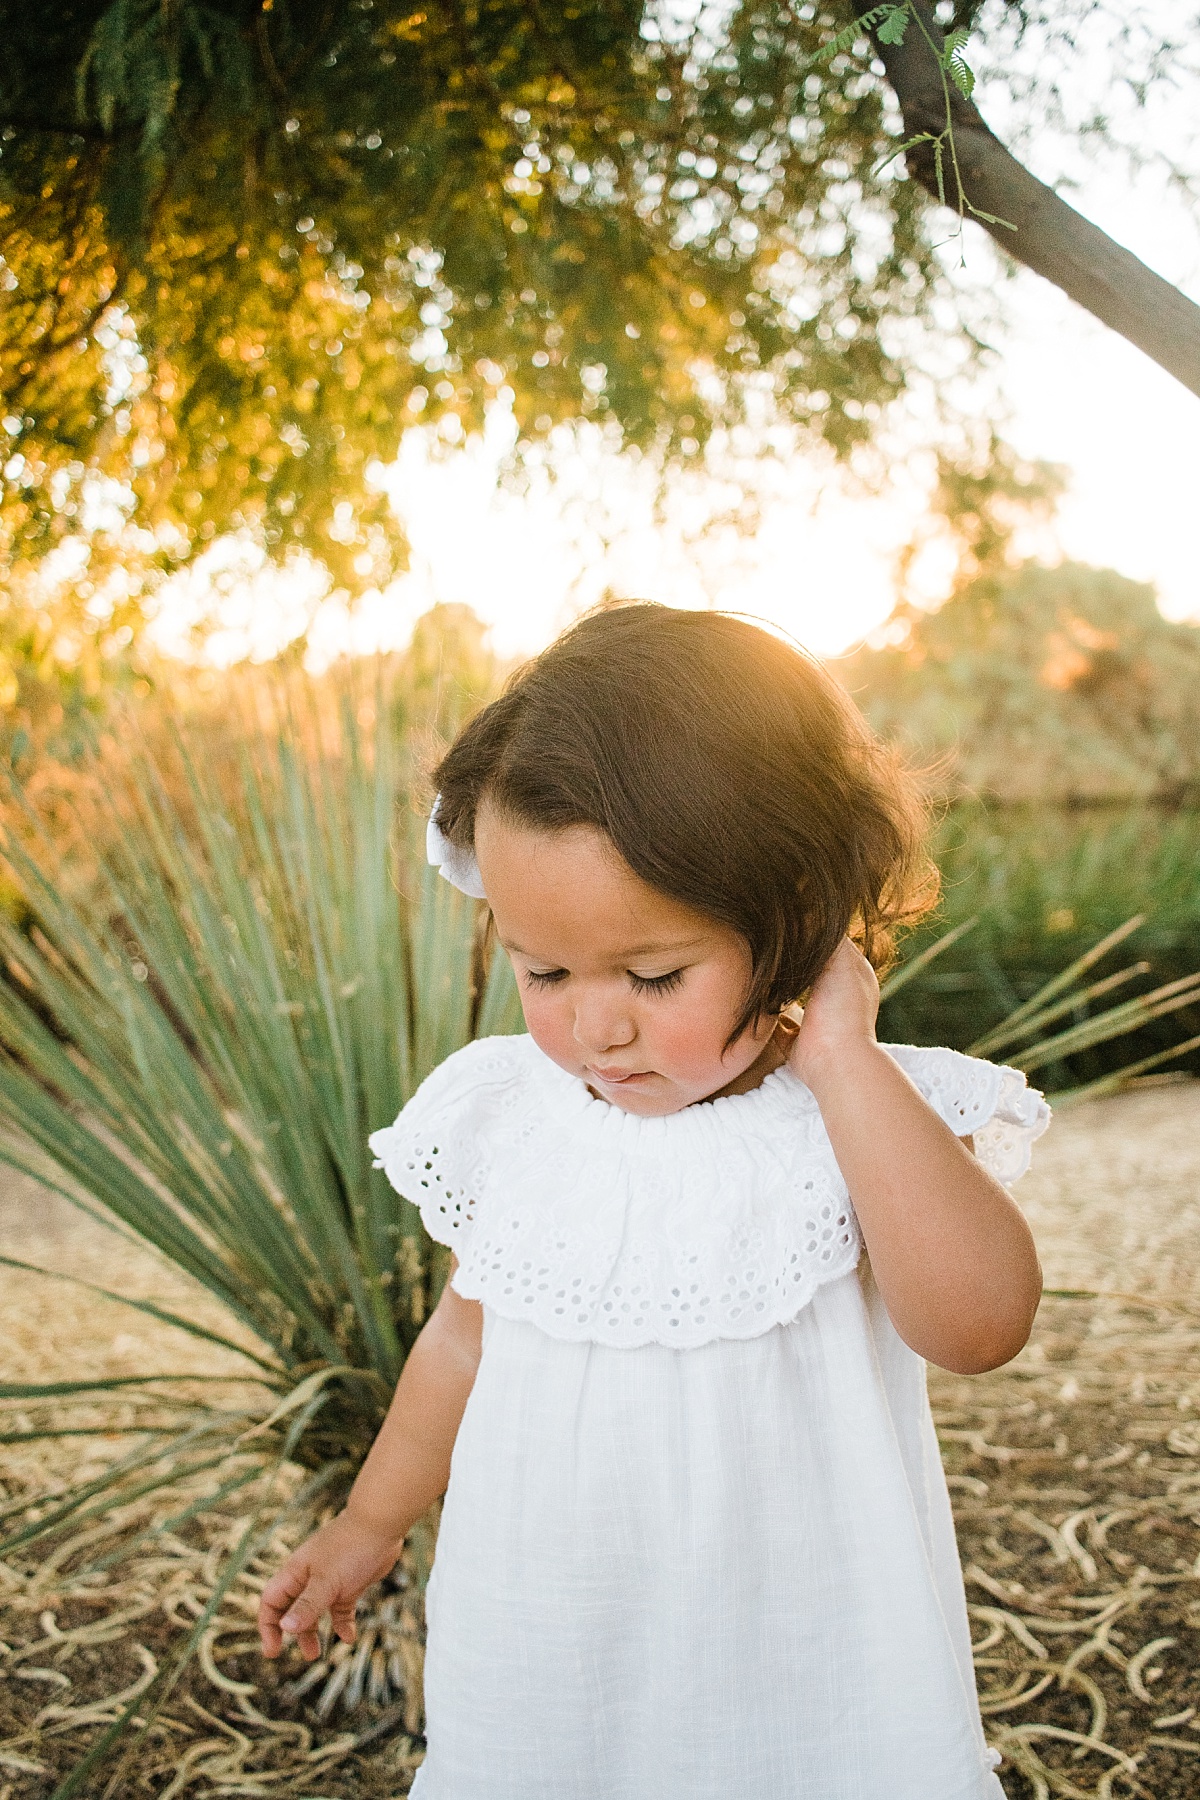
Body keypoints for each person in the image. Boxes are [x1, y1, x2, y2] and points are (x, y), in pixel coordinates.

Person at [258, 603, 1048, 1799]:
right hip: (551, 1651)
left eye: (656, 973)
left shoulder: (864, 1118)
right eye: (544, 970)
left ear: (796, 915)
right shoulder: (518, 1115)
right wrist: (369, 1524)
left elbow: (980, 1327)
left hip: (805, 1671)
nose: (595, 1024)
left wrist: (843, 1059)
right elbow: (466, 1341)